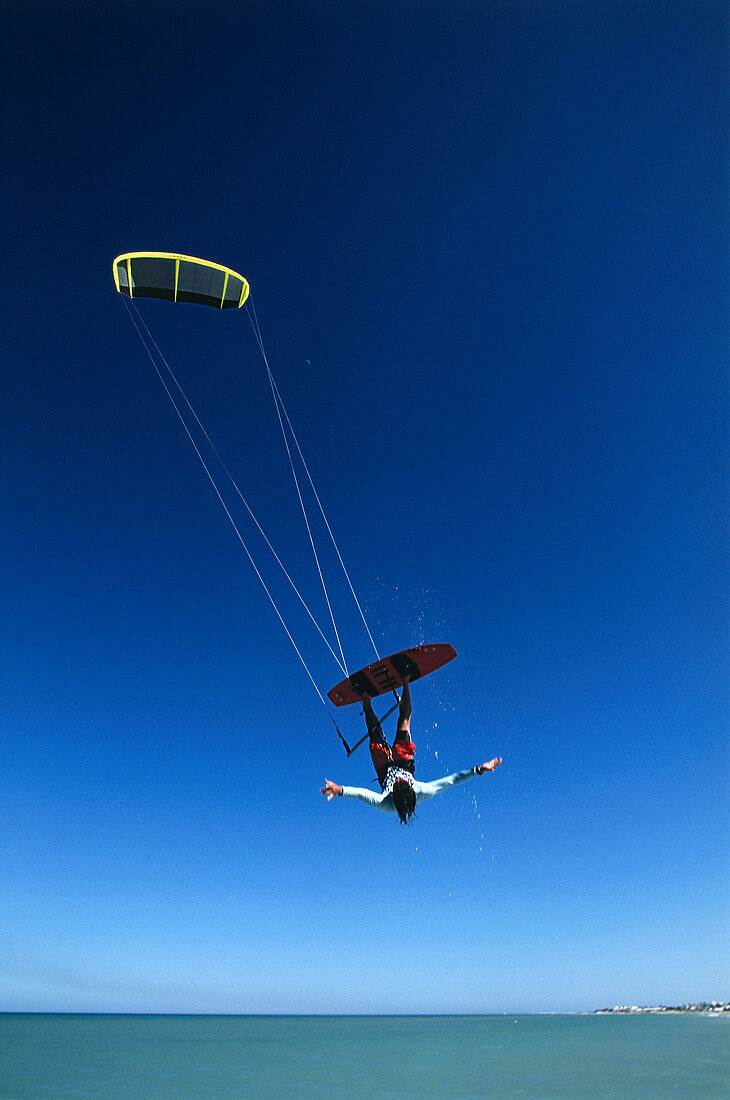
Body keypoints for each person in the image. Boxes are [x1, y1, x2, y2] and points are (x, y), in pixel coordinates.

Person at [320, 676, 501, 824]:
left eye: (396, 784)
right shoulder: (423, 791)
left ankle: (366, 701)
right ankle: (406, 681)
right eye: (402, 783)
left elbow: (362, 794)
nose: (398, 781)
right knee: (404, 721)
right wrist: (479, 770)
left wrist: (340, 790)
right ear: (409, 787)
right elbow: (452, 780)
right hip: (404, 762)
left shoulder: (386, 804)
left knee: (375, 738)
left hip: (383, 769)